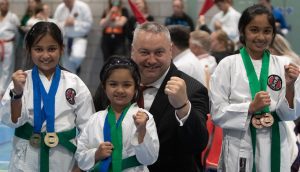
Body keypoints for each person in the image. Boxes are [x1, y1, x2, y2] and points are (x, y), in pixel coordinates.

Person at [94, 22, 209, 171]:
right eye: (144, 52)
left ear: (170, 51)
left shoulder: (192, 89)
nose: (152, 60)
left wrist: (183, 107)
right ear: (132, 51)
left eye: (159, 53)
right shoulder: (112, 85)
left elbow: (197, 144)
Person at [210, 4, 300, 172]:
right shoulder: (227, 65)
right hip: (240, 142)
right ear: (243, 31)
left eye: (267, 31)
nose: (261, 36)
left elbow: (291, 114)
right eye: (254, 30)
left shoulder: (283, 64)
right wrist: (250, 107)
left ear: (273, 34)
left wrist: (289, 87)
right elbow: (217, 113)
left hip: (276, 142)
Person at [0, 21, 95, 171]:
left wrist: (80, 166)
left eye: (51, 49)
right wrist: (17, 94)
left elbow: (89, 128)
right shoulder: (20, 81)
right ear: (29, 50)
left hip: (64, 159)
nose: (45, 55)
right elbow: (12, 121)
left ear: (61, 49)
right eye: (38, 49)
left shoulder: (75, 84)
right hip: (26, 160)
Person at [75, 55, 159, 171]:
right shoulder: (94, 119)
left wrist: (141, 132)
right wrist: (96, 154)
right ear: (104, 87)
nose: (120, 90)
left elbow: (150, 159)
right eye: (113, 84)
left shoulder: (144, 118)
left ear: (136, 88)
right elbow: (80, 158)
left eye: (127, 85)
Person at [53, 0, 93, 74]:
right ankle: (72, 82)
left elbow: (89, 25)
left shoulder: (83, 7)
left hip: (79, 38)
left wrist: (75, 23)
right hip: (64, 39)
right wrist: (65, 23)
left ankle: (77, 68)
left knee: (78, 56)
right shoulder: (60, 8)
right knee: (66, 66)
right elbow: (54, 24)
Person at [0, 0, 20, 100]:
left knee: (7, 69)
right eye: (1, 4)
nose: (3, 6)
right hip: (0, 44)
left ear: (8, 5)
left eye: (5, 4)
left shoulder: (13, 17)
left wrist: (13, 45)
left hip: (8, 44)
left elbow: (17, 34)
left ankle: (4, 92)